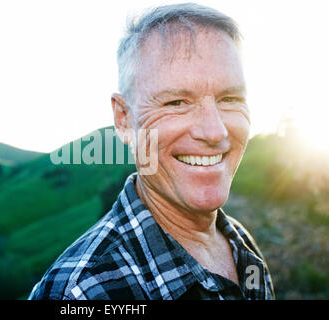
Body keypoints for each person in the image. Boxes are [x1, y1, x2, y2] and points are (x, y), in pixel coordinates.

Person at [29, 3, 274, 300]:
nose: (215, 132)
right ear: (123, 119)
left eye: (230, 98)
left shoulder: (237, 240)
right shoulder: (84, 292)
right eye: (176, 103)